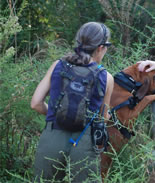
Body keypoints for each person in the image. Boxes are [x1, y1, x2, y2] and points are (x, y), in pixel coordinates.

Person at [31, 22, 114, 182]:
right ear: (100, 48)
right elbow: (102, 118)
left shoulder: (58, 65)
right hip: (84, 142)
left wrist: (55, 113)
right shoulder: (106, 77)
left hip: (52, 136)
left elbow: (35, 103)